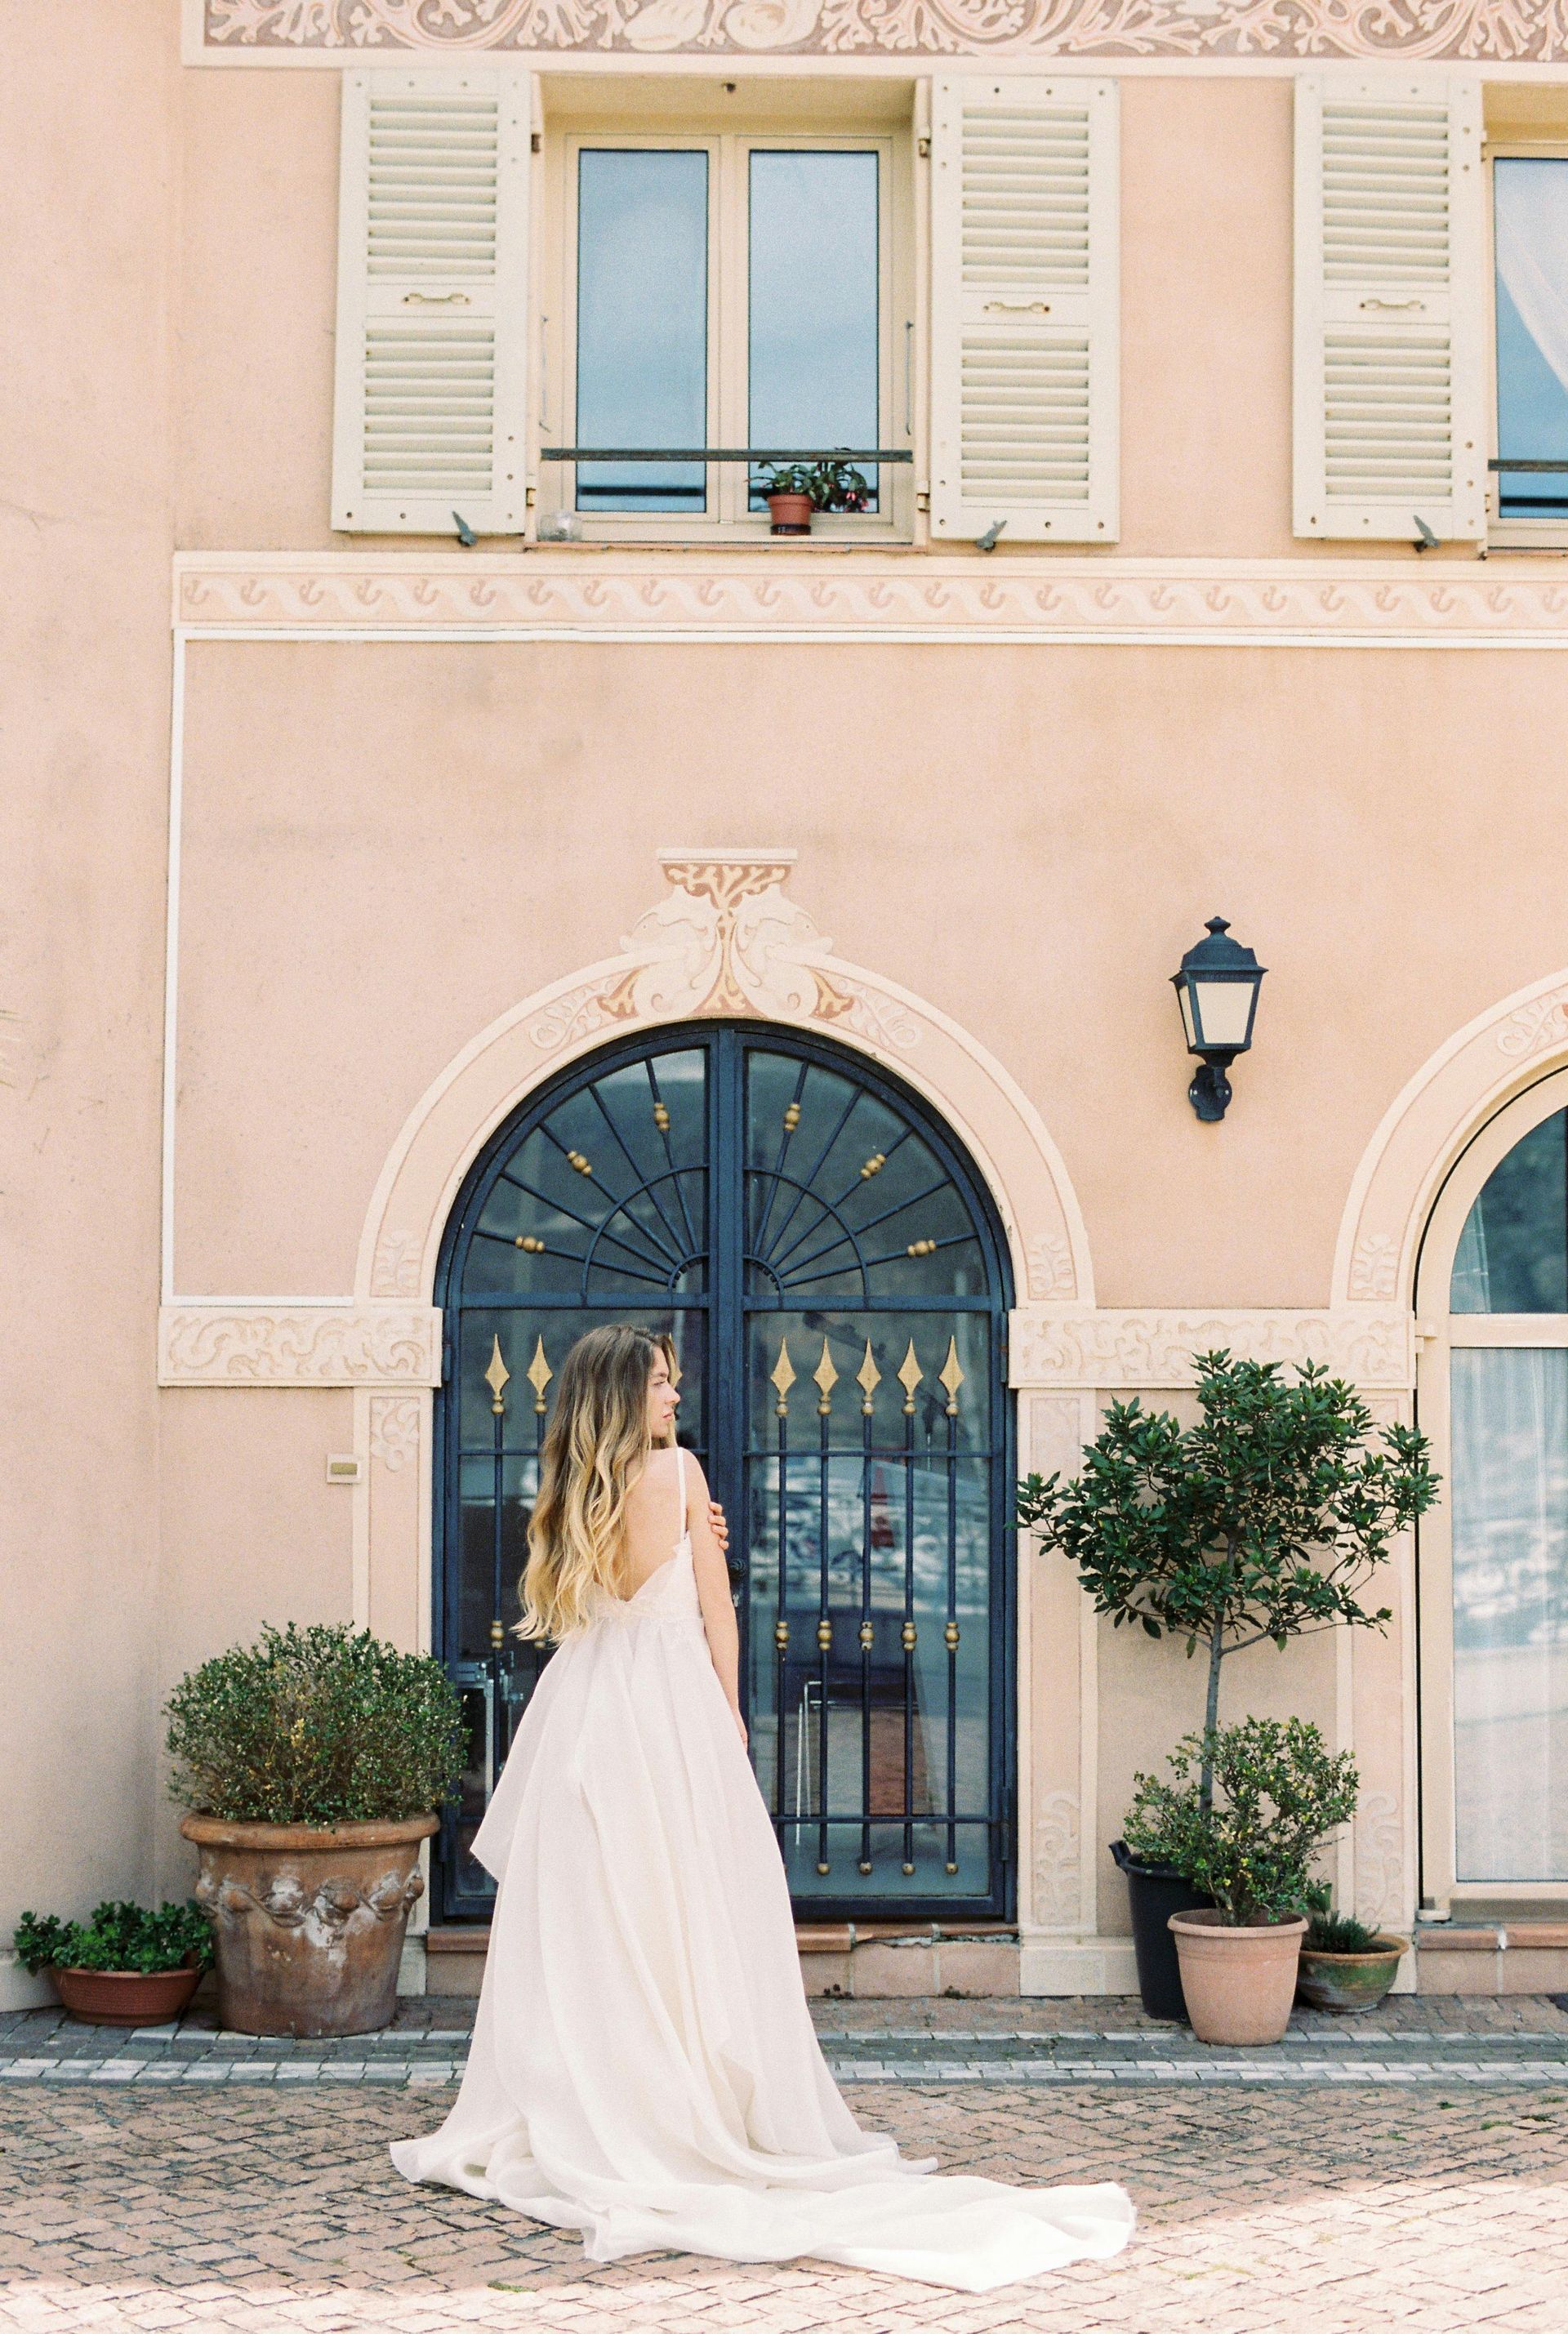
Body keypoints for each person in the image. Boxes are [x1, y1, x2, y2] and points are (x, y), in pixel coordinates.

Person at [391, 1323, 1134, 2292]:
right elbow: (717, 1608)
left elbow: (576, 1611)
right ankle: (686, 2090)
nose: (673, 1394)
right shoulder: (683, 1473)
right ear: (624, 1394)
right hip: (666, 1705)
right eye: (659, 1382)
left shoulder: (571, 1485)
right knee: (688, 1899)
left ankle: (594, 2089)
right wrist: (732, 1715)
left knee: (597, 1913)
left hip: (586, 1710)